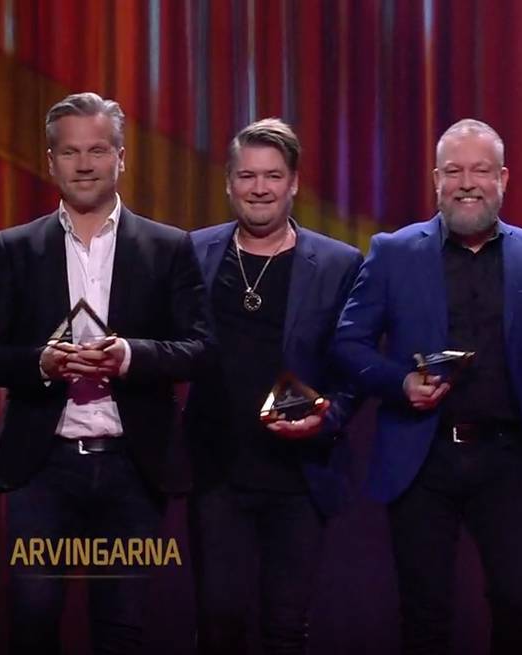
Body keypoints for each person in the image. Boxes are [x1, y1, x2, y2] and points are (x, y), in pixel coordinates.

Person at [332, 118, 522, 655]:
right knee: (425, 615)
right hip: (421, 459)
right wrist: (400, 382)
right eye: (453, 171)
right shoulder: (393, 252)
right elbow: (348, 343)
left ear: (502, 178)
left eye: (480, 171)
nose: (466, 183)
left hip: (505, 459)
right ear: (436, 179)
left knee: (520, 604)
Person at [0, 92, 213, 654]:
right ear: (50, 162)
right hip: (43, 468)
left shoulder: (168, 247)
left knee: (121, 628)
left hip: (133, 468)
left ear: (121, 157)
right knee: (33, 621)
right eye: (70, 152)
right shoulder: (16, 248)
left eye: (97, 150)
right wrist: (40, 363)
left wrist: (131, 356)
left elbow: (199, 349)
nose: (84, 164)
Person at [184, 118, 364, 654]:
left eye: (272, 176)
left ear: (294, 183)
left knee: (286, 629)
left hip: (299, 476)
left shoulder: (339, 264)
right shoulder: (193, 252)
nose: (259, 188)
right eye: (247, 176)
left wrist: (327, 418)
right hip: (216, 473)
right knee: (219, 622)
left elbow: (354, 369)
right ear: (229, 183)